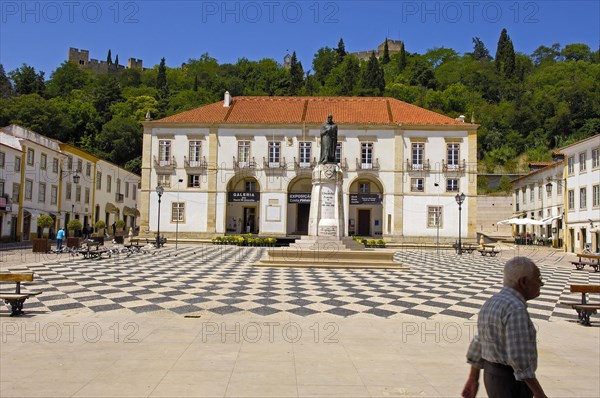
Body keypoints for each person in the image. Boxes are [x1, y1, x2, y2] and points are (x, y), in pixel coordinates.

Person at [462, 257, 547, 398]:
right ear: (523, 282)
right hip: (511, 381)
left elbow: (479, 341)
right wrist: (538, 392)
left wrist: (473, 377)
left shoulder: (492, 302)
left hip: (492, 376)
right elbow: (518, 358)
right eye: (538, 278)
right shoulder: (515, 308)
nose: (541, 283)